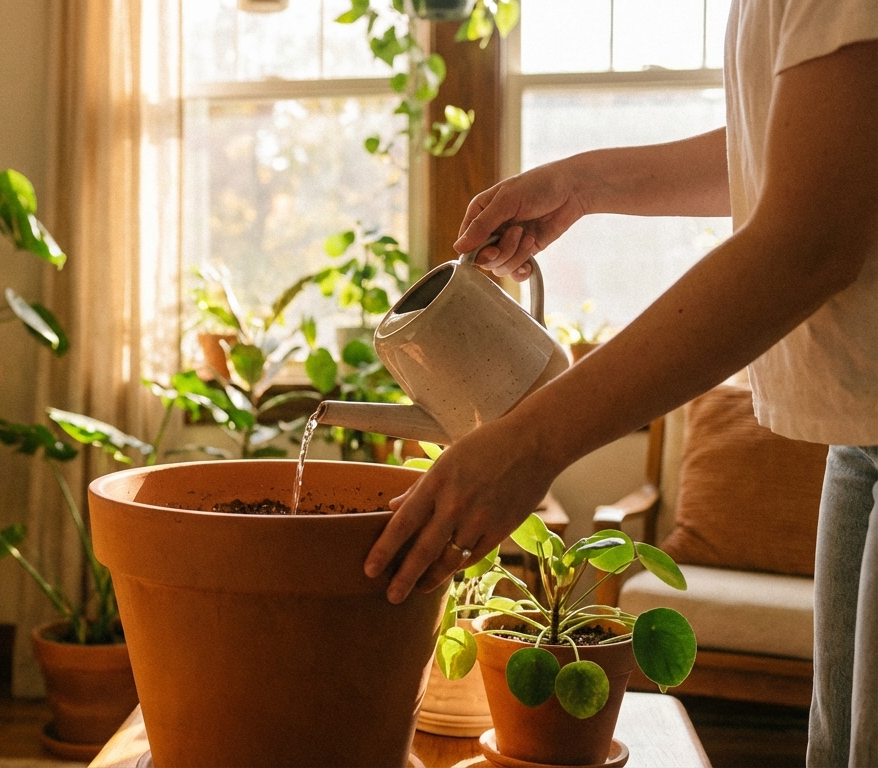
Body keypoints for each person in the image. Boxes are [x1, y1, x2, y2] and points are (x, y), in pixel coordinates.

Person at [360, 3, 878, 766]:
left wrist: (531, 443)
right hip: (860, 434)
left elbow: (809, 240)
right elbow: (810, 143)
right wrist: (584, 181)